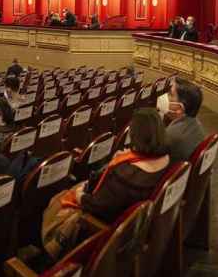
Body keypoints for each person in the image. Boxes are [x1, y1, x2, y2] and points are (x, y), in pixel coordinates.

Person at [43, 108, 170, 258]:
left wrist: (80, 196)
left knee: (57, 199)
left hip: (96, 228)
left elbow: (97, 206)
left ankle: (49, 250)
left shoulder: (123, 177)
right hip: (128, 219)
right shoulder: (165, 158)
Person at [164, 78, 207, 163]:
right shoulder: (196, 124)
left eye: (170, 94)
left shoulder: (172, 136)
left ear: (180, 108)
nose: (165, 96)